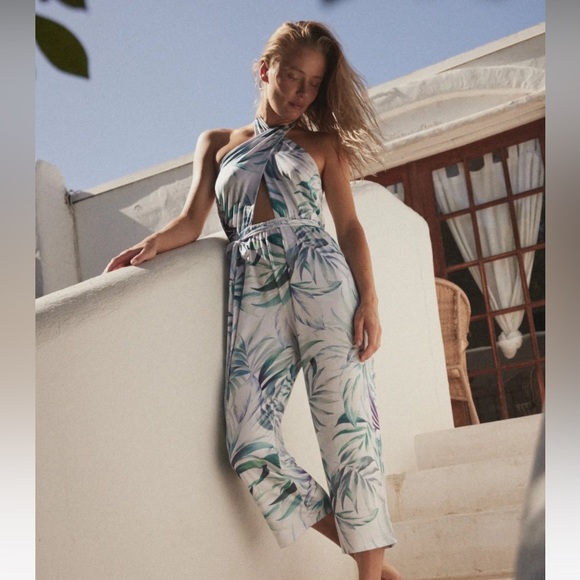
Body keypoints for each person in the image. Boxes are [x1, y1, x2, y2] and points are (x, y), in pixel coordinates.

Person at [105, 20, 400, 580]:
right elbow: (193, 219)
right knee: (248, 441)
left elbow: (350, 228)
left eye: (313, 84)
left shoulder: (322, 144)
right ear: (265, 70)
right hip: (254, 288)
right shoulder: (217, 143)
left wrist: (370, 302)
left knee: (349, 430)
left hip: (324, 281)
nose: (300, 93)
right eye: (292, 77)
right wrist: (152, 244)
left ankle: (368, 573)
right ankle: (380, 566)